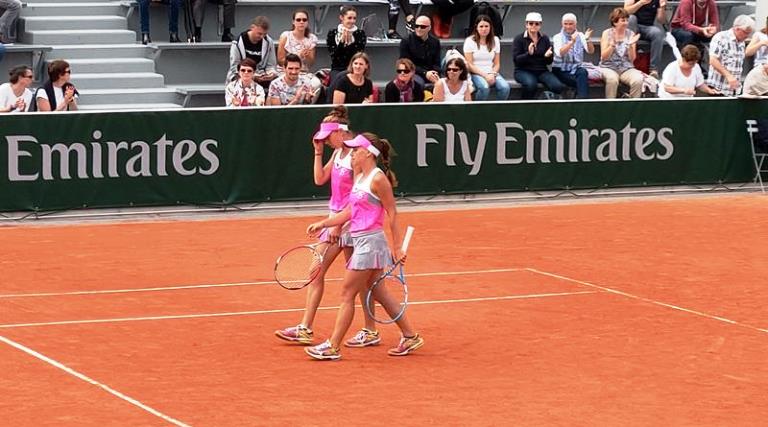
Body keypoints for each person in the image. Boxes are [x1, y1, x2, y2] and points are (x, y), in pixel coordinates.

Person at [305, 132, 424, 360]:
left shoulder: (378, 179)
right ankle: (410, 335)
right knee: (378, 291)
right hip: (361, 240)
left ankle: (333, 346)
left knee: (347, 292)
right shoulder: (359, 177)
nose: (352, 153)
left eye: (357, 150)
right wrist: (325, 223)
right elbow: (350, 211)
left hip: (370, 242)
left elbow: (392, 213)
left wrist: (397, 247)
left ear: (368, 153)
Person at [276, 106, 383, 348]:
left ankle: (366, 330)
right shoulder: (336, 155)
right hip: (336, 219)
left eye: (327, 136)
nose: (325, 140)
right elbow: (319, 179)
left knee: (347, 278)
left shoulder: (356, 159)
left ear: (342, 133)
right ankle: (366, 330)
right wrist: (317, 152)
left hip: (346, 223)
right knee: (338, 277)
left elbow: (356, 196)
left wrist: (338, 225)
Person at [512, 12, 564, 100]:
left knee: (557, 86)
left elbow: (549, 62)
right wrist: (529, 54)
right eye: (531, 23)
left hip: (541, 70)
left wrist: (547, 56)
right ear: (526, 24)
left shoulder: (545, 38)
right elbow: (516, 60)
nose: (534, 26)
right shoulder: (519, 39)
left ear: (540, 25)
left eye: (537, 24)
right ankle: (525, 106)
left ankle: (545, 100)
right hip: (523, 71)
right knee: (531, 84)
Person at [599, 8, 644, 99]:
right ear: (615, 22)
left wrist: (631, 45)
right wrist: (612, 45)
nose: (626, 23)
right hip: (608, 66)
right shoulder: (607, 33)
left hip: (626, 67)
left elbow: (632, 59)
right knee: (612, 80)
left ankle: (633, 108)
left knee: (638, 79)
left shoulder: (630, 34)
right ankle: (610, 107)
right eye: (623, 20)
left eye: (627, 20)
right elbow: (603, 57)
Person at [463, 15, 510, 101]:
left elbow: (497, 63)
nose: (484, 29)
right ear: (476, 27)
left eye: (486, 26)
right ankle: (479, 111)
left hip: (491, 72)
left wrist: (492, 74)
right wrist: (485, 75)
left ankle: (497, 110)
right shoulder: (469, 41)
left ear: (490, 27)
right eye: (481, 26)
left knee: (505, 87)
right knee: (484, 87)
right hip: (476, 73)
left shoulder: (495, 40)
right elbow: (469, 64)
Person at [276, 9, 321, 97]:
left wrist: (307, 56)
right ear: (293, 22)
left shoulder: (312, 38)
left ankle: (306, 106)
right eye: (298, 20)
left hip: (303, 72)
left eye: (304, 20)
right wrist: (298, 56)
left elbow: (311, 63)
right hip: (285, 71)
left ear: (307, 22)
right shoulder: (285, 36)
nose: (301, 22)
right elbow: (280, 60)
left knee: (316, 84)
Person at [707, 15, 755, 96]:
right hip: (718, 89)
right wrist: (728, 76)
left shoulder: (742, 43)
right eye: (746, 32)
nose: (747, 36)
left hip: (734, 91)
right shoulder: (720, 37)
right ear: (737, 28)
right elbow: (713, 60)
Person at [552, 13, 595, 99]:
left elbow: (591, 51)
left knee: (583, 72)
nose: (568, 26)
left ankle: (581, 100)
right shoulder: (557, 37)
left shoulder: (581, 36)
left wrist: (587, 39)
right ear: (562, 24)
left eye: (571, 24)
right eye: (566, 24)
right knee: (582, 83)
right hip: (561, 69)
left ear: (575, 24)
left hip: (576, 67)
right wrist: (572, 42)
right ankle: (582, 101)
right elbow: (560, 53)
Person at [227, 16, 278, 88]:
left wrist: (271, 74)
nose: (262, 36)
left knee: (277, 82)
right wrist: (252, 76)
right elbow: (235, 67)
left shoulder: (269, 42)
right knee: (241, 80)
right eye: (259, 33)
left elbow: (271, 65)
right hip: (242, 73)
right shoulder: (237, 42)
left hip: (261, 74)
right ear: (252, 27)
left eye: (264, 34)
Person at [624, 0, 667, 78]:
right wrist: (640, 3)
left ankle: (653, 69)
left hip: (647, 27)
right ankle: (628, 64)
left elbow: (661, 20)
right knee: (631, 18)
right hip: (633, 26)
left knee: (657, 33)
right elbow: (625, 11)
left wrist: (662, 7)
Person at [399, 15, 441, 88]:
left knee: (443, 83)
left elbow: (437, 62)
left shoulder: (435, 42)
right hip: (414, 73)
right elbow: (405, 63)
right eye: (416, 26)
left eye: (422, 27)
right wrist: (425, 73)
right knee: (418, 84)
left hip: (431, 72)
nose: (419, 29)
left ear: (429, 28)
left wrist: (435, 73)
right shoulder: (406, 41)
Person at [327, 6, 366, 84]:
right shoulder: (332, 33)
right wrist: (342, 43)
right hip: (337, 68)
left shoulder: (360, 34)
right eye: (349, 18)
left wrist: (349, 44)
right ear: (341, 17)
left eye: (354, 18)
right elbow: (335, 57)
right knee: (338, 81)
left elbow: (357, 56)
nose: (352, 21)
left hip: (354, 68)